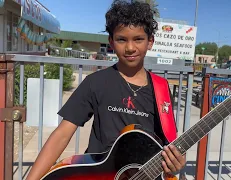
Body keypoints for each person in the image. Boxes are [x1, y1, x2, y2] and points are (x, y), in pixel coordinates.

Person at [26, 0, 186, 179]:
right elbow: (62, 134)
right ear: (111, 42)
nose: (130, 47)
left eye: (138, 39)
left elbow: (169, 145)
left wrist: (175, 163)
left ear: (150, 42)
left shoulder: (162, 89)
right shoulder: (95, 82)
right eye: (121, 39)